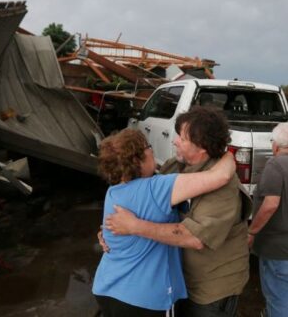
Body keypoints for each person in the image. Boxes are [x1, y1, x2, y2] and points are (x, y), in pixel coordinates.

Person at [104, 106, 251, 317]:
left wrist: (134, 227)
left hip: (211, 288)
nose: (174, 141)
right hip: (181, 280)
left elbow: (194, 237)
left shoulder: (224, 189)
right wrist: (109, 230)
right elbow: (141, 198)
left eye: (182, 138)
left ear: (202, 147)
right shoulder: (176, 166)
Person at [248, 122, 288, 317]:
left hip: (278, 251)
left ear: (276, 145)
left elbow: (271, 204)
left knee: (279, 301)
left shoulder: (276, 164)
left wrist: (252, 231)